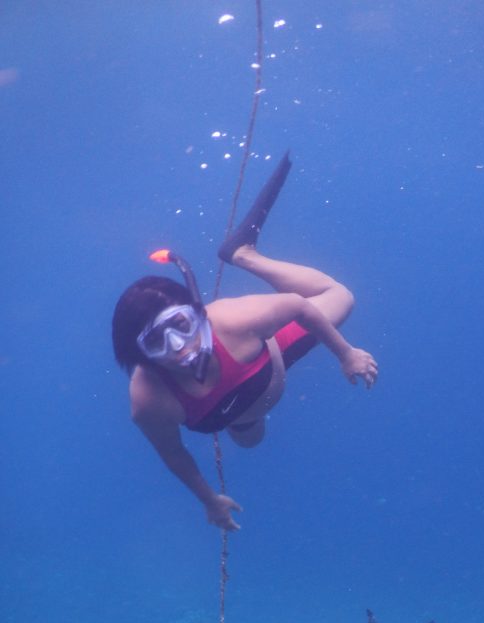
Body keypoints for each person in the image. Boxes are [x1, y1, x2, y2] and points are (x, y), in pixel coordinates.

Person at [111, 152, 378, 532]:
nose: (179, 347)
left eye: (182, 325)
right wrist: (209, 500)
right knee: (251, 439)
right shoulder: (149, 401)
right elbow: (172, 451)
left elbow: (300, 307)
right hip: (243, 409)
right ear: (140, 355)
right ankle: (244, 424)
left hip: (274, 352)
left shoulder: (235, 320)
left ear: (199, 314)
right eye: (157, 342)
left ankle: (244, 256)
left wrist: (346, 353)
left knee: (342, 296)